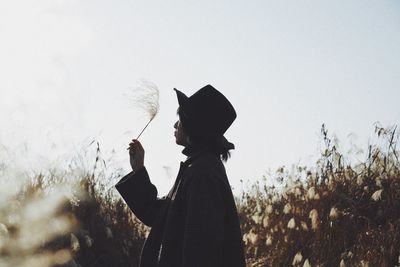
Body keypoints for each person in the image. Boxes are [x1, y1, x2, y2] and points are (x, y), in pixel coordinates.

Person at [115, 85, 246, 267]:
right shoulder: (198, 167)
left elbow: (202, 253)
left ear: (193, 125)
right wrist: (138, 169)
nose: (175, 125)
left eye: (180, 119)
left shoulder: (203, 173)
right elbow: (158, 215)